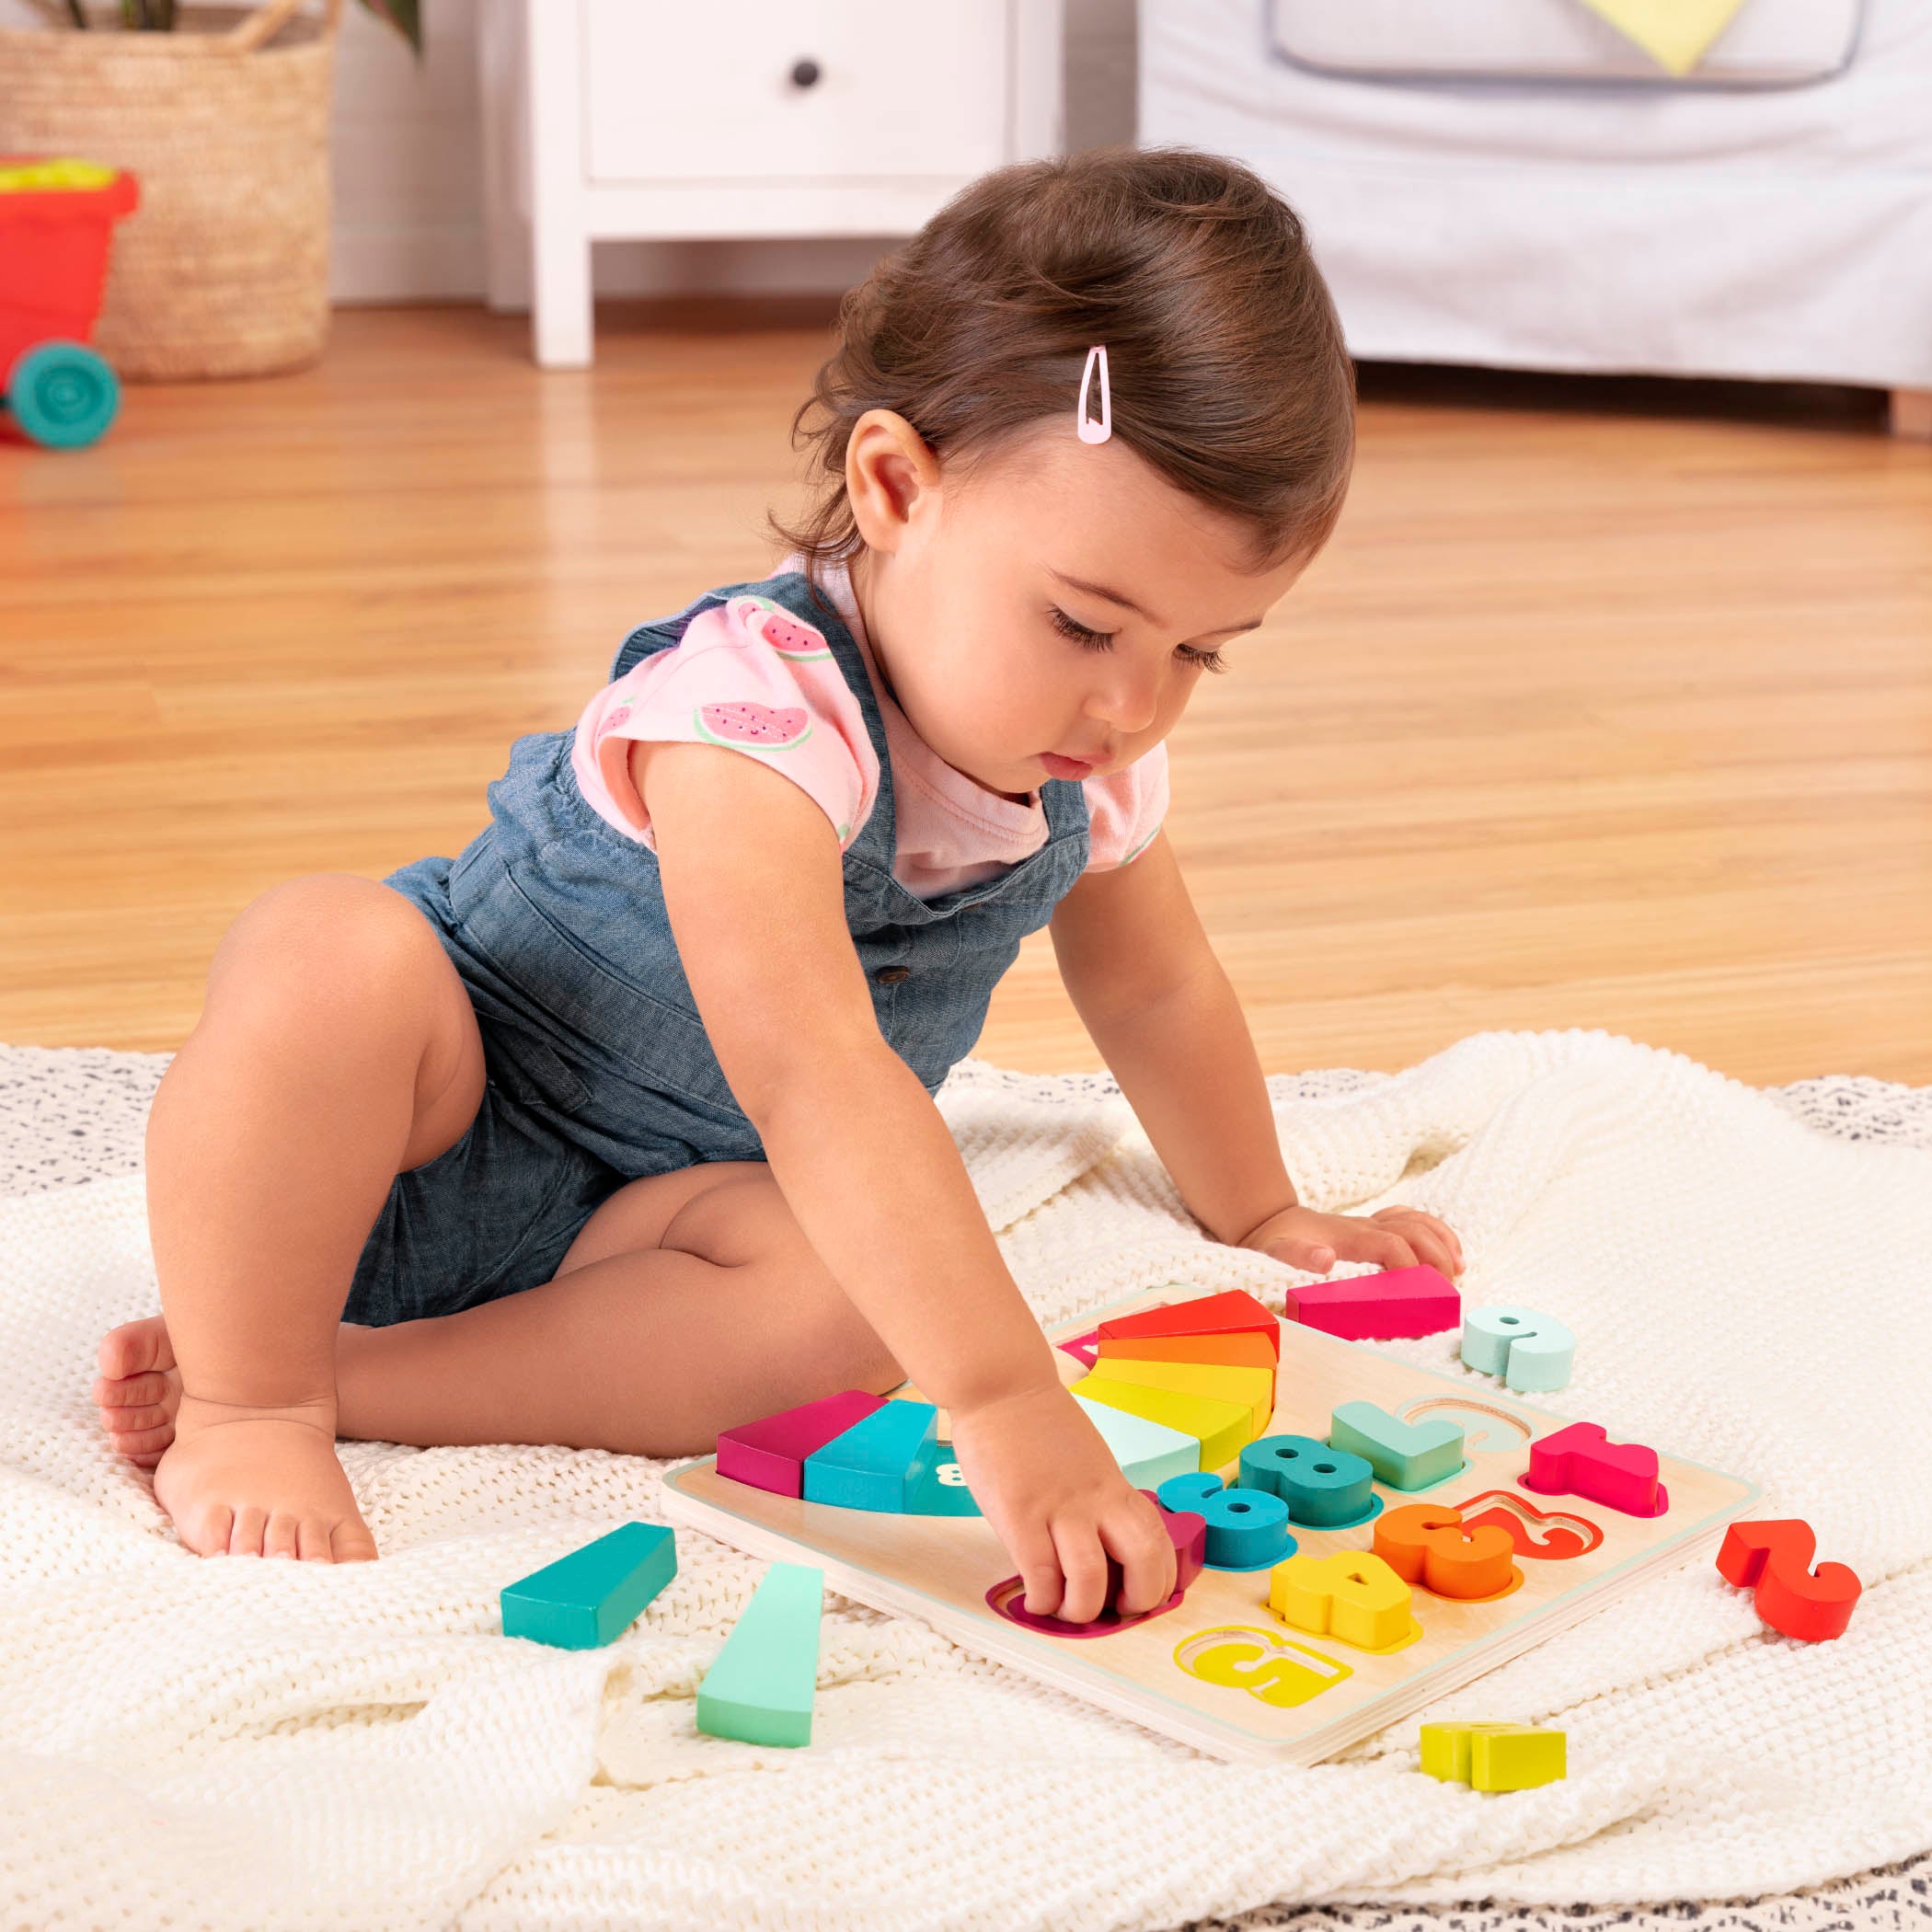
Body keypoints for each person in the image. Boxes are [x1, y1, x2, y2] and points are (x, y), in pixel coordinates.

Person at [91, 147, 1464, 1623]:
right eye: (1083, 625)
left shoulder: (1091, 765)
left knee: (847, 1311)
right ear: (896, 486)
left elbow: (1155, 987)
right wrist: (1002, 1396)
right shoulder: (749, 716)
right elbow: (813, 1068)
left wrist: (1259, 1211)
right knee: (328, 953)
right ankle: (246, 1398)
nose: (1134, 705)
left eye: (1198, 652)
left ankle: (353, 1382)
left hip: (649, 1237)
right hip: (419, 1129)